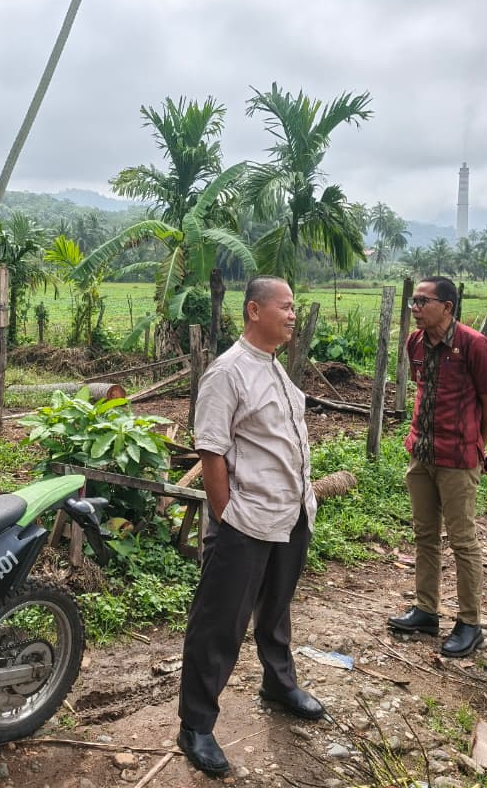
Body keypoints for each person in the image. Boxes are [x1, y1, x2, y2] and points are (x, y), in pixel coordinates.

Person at [177, 276, 323, 779]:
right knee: (220, 621)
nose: (292, 314)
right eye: (285, 306)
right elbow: (211, 448)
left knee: (276, 607)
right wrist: (227, 514)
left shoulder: (276, 369)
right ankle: (196, 724)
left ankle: (278, 683)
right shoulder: (228, 372)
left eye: (294, 306)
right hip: (246, 519)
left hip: (291, 513)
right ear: (254, 311)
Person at [388, 276, 487, 658]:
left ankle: (470, 623)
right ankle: (426, 610)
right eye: (413, 302)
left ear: (448, 307)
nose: (416, 308)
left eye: (423, 301)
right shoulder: (415, 343)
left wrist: (477, 444)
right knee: (425, 535)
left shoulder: (474, 345)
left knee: (463, 540)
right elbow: (423, 387)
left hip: (458, 458)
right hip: (422, 453)